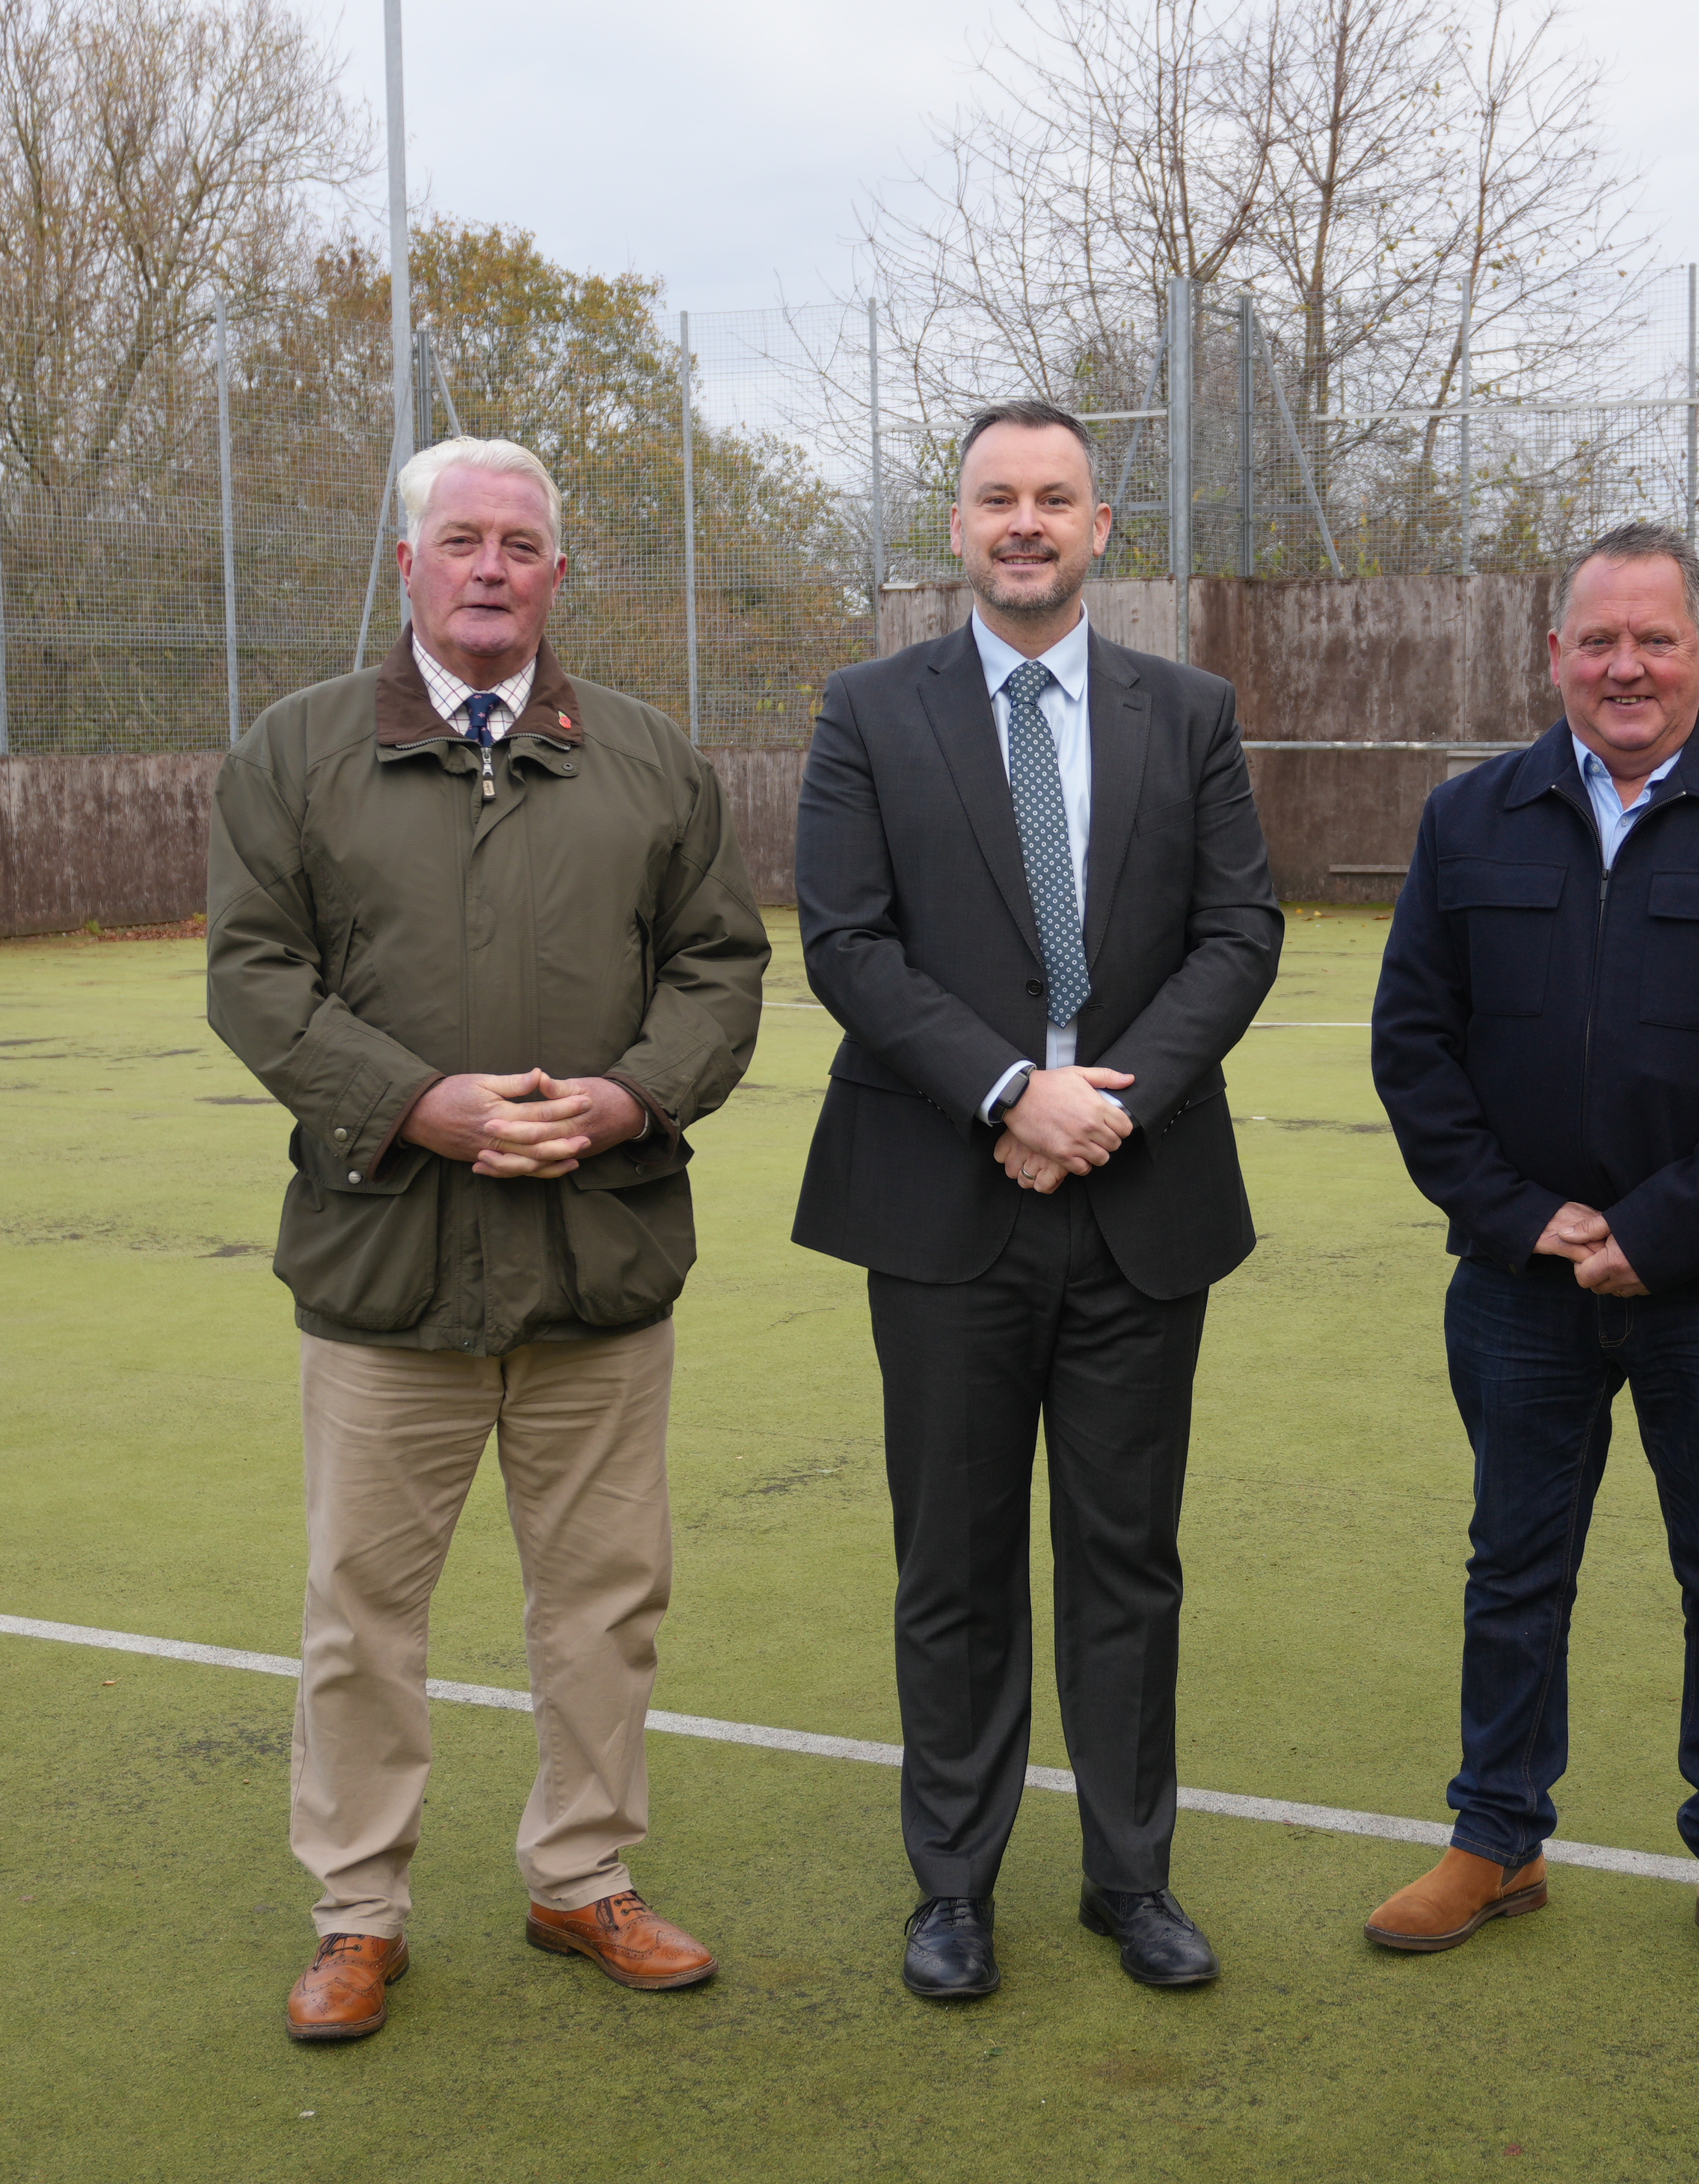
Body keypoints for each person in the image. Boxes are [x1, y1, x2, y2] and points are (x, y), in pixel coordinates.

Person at [206, 435, 767, 2040]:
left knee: (602, 1597)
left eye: (521, 542)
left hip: (599, 1261)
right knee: (359, 1611)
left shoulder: (652, 762)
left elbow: (719, 975)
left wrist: (624, 1100)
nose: (491, 566)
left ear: (557, 572)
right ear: (405, 564)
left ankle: (580, 1874)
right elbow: (254, 976)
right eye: (460, 538)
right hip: (386, 1267)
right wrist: (413, 1103)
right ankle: (357, 1908)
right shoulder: (295, 754)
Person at [793, 400, 1282, 2000]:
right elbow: (847, 943)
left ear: (1097, 528)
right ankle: (953, 1888)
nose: (1024, 522)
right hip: (942, 1204)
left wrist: (1098, 1105)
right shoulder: (867, 710)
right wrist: (1012, 1092)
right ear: (954, 526)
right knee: (951, 1560)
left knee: (1126, 1557)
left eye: (1053, 498)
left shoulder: (1187, 710)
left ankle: (1128, 1878)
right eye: (995, 497)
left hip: (1138, 1200)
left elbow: (1237, 932)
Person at [1362, 519, 1699, 1992]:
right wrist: (1527, 1216)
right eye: (1598, 639)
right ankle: (1497, 1837)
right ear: (1555, 657)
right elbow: (1414, 1044)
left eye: (1654, 637)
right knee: (1511, 1569)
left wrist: (1657, 1231)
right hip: (1515, 1283)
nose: (1625, 664)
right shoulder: (1471, 818)